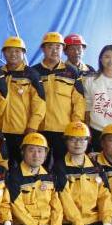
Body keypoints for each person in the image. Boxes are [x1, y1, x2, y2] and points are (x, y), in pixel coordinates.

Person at [35, 32, 86, 164]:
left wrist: (76, 125)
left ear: (63, 49)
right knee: (40, 165)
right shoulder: (34, 72)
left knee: (63, 164)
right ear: (43, 49)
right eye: (50, 47)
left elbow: (79, 101)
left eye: (58, 47)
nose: (54, 50)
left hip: (64, 129)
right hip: (40, 128)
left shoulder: (72, 71)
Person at [0, 36, 45, 164]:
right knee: (1, 164)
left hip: (22, 131)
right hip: (0, 129)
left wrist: (33, 126)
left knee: (22, 165)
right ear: (3, 53)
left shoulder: (31, 75)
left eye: (17, 51)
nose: (13, 54)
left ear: (23, 53)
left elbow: (39, 103)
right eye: (9, 51)